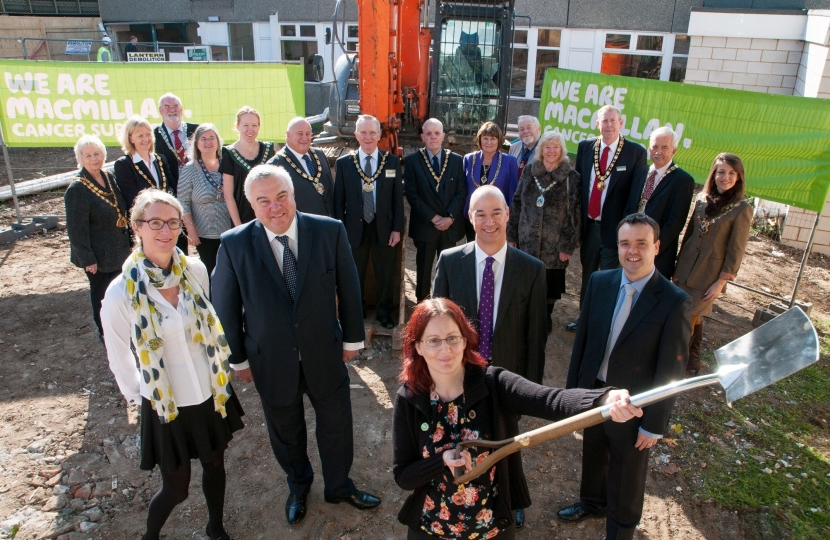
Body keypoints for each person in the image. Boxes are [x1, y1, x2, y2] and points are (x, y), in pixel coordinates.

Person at [211, 165, 381, 525]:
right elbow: (224, 307)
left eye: (281, 196)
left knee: (336, 424)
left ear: (293, 194)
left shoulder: (328, 231)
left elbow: (348, 289)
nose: (275, 207)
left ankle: (338, 485)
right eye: (263, 201)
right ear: (251, 205)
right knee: (286, 431)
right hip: (270, 359)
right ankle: (298, 485)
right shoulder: (233, 244)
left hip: (324, 351)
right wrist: (238, 360)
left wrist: (352, 338)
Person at [393, 297, 644, 540]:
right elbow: (404, 476)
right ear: (418, 346)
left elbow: (550, 400)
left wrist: (603, 399)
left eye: (452, 338)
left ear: (465, 339)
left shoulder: (495, 383)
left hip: (490, 530)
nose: (445, 349)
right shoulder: (409, 398)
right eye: (434, 340)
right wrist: (441, 462)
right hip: (431, 530)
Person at [100, 189, 244, 540]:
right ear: (137, 227)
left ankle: (216, 527)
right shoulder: (121, 292)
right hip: (167, 403)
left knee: (215, 465)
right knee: (176, 489)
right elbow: (119, 355)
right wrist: (142, 397)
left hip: (208, 392)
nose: (165, 231)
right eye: (155, 223)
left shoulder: (194, 270)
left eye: (173, 222)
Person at [558, 214, 691, 540]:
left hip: (636, 404)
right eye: (625, 243)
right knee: (593, 451)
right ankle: (592, 502)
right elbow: (584, 342)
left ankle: (621, 530)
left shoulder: (674, 302)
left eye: (641, 244)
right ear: (617, 247)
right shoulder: (600, 282)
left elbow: (671, 369)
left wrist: (653, 424)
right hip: (595, 392)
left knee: (626, 470)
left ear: (656, 247)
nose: (633, 251)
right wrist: (575, 396)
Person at [432, 185, 547, 530]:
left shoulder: (531, 270)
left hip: (505, 377)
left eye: (496, 212)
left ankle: (510, 497)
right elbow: (434, 323)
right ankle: (459, 489)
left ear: (508, 215)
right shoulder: (450, 262)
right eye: (480, 213)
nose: (489, 221)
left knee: (507, 440)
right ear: (470, 217)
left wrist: (530, 390)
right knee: (458, 435)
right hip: (458, 373)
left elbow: (536, 336)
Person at [567, 105, 646, 332]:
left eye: (613, 121)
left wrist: (626, 232)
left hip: (616, 230)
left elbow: (634, 196)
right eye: (604, 121)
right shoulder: (585, 148)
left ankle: (604, 323)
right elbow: (580, 187)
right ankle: (585, 319)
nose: (608, 125)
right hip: (589, 228)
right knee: (588, 276)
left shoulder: (635, 153)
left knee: (611, 278)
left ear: (621, 123)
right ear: (597, 124)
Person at [672, 153, 753, 376]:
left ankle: (675, 364)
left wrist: (721, 282)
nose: (724, 177)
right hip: (686, 269)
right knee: (690, 315)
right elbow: (689, 235)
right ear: (713, 174)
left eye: (730, 173)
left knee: (687, 317)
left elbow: (736, 249)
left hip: (708, 275)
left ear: (738, 177)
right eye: (720, 172)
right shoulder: (701, 198)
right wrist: (678, 268)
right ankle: (692, 360)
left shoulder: (741, 208)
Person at [333, 115, 404, 328]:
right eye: (363, 132)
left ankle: (384, 312)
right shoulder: (344, 163)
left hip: (383, 227)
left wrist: (396, 229)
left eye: (372, 132)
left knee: (385, 273)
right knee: (355, 272)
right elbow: (338, 202)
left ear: (379, 135)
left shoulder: (391, 162)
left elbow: (397, 200)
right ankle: (358, 310)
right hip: (355, 227)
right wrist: (340, 231)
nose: (368, 137)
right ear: (356, 135)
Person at [507, 131, 580, 334]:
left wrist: (567, 245)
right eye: (547, 146)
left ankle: (544, 319)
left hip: (554, 246)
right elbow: (517, 202)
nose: (551, 151)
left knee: (549, 288)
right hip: (526, 242)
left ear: (562, 150)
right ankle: (525, 317)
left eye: (556, 147)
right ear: (541, 149)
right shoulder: (530, 171)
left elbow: (574, 215)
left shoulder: (571, 177)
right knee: (525, 282)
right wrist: (511, 235)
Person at [64, 135, 131, 341]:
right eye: (88, 156)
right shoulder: (77, 189)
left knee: (120, 292)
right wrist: (87, 259)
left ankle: (123, 327)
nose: (94, 159)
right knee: (102, 295)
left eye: (97, 154)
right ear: (80, 159)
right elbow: (76, 230)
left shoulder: (108, 177)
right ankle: (106, 332)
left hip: (119, 249)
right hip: (98, 257)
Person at [403, 118, 467, 302]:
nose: (433, 137)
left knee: (447, 269)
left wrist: (450, 217)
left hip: (449, 227)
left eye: (437, 133)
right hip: (425, 226)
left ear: (443, 136)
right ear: (423, 137)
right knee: (423, 269)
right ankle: (422, 304)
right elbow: (412, 195)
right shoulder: (413, 161)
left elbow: (461, 192)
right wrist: (434, 217)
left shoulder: (456, 160)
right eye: (429, 133)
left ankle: (444, 303)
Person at [624, 127, 695, 278]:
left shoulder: (682, 180)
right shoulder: (640, 172)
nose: (658, 151)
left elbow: (675, 224)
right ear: (649, 148)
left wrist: (650, 248)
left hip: (658, 255)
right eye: (655, 147)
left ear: (673, 150)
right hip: (631, 249)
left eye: (664, 147)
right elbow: (629, 207)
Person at [177, 123, 233, 277]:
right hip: (204, 236)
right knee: (211, 274)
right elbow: (182, 202)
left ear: (218, 141)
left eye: (212, 138)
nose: (208, 142)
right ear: (196, 143)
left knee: (231, 273)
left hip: (230, 232)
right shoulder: (189, 169)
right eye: (203, 139)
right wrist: (191, 231)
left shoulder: (229, 164)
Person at [461, 122, 518, 242]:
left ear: (499, 140)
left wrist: (510, 220)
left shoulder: (510, 161)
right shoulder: (469, 159)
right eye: (485, 138)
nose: (489, 142)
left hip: (496, 218)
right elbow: (463, 189)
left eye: (493, 138)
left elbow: (512, 192)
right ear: (480, 140)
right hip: (474, 217)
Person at [267, 117, 334, 217]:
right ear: (288, 135)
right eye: (299, 133)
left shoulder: (319, 154)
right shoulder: (275, 165)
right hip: (301, 227)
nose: (304, 138)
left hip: (329, 225)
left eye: (308, 134)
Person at [220, 106, 276, 226]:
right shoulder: (229, 154)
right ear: (237, 126)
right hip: (242, 218)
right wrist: (238, 225)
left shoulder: (269, 150)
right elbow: (228, 195)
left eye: (254, 125)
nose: (250, 130)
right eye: (245, 125)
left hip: (269, 215)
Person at [114, 115, 177, 212]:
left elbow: (172, 187)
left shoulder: (161, 159)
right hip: (145, 218)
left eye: (148, 134)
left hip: (167, 213)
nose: (146, 139)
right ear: (131, 139)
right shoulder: (123, 165)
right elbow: (132, 199)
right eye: (140, 136)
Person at [153, 93, 198, 185]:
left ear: (181, 109)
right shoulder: (153, 136)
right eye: (167, 106)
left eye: (175, 106)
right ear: (160, 110)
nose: (172, 110)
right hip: (171, 188)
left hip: (199, 186)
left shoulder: (196, 130)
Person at [508, 115, 541, 180]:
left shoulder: (545, 149)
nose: (525, 132)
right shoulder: (513, 147)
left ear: (539, 128)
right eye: (522, 129)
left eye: (529, 128)